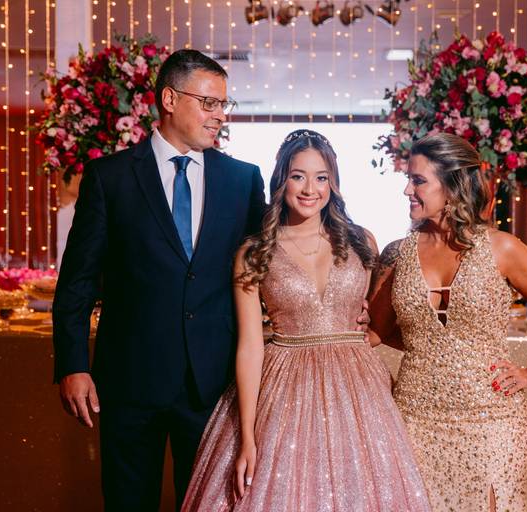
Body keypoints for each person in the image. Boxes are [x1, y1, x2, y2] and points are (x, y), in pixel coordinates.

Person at [52, 49, 266, 511]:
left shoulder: (243, 180)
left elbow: (271, 266)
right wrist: (73, 364)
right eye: (209, 103)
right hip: (129, 383)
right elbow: (77, 283)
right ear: (169, 99)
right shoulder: (110, 177)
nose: (220, 115)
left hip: (213, 384)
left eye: (224, 104)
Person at [181, 129, 431, 511]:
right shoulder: (255, 252)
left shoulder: (362, 241)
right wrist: (247, 436)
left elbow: (384, 316)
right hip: (284, 388)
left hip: (358, 392)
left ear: (333, 183)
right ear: (282, 180)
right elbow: (249, 347)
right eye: (298, 176)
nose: (310, 189)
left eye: (321, 177)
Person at [368, 133, 527, 511]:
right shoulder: (397, 254)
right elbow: (376, 331)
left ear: (452, 184)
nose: (407, 190)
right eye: (408, 179)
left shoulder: (502, 248)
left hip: (492, 418)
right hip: (415, 418)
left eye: (418, 180)